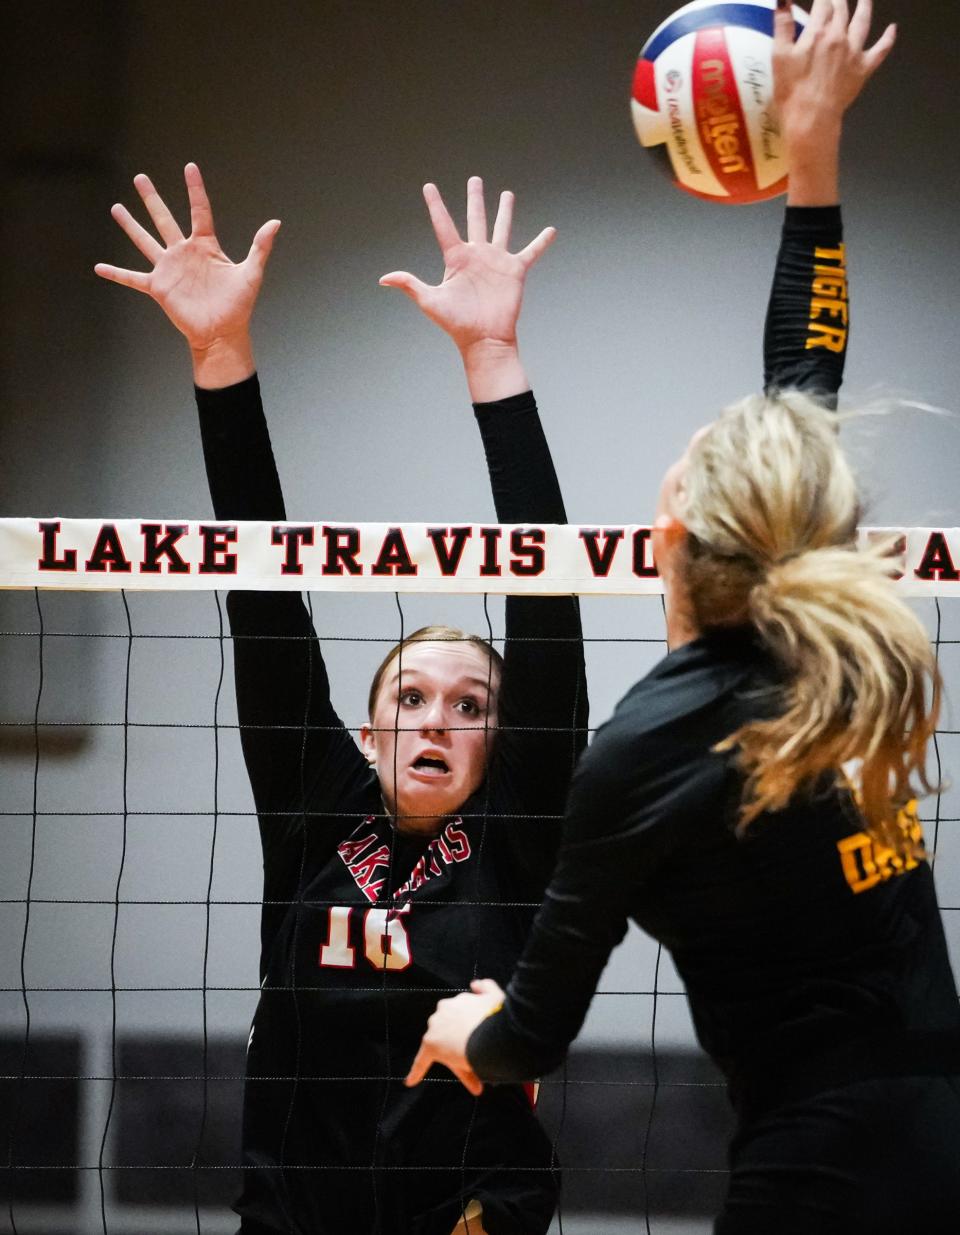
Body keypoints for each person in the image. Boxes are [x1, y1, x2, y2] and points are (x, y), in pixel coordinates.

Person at [408, 3, 960, 1231]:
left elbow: (530, 1032)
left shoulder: (646, 749)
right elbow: (803, 379)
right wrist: (812, 154)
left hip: (816, 1172)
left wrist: (465, 1029)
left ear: (672, 530)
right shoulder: (834, 651)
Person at [96, 173, 588, 1234]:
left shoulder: (516, 835)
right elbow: (263, 602)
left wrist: (492, 357)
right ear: (370, 733)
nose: (438, 718)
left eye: (471, 704)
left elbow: (548, 614)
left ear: (501, 742)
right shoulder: (321, 806)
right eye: (411, 696)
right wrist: (217, 354)